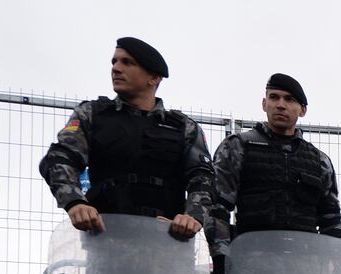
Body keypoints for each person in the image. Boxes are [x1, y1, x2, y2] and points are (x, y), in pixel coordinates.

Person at [38, 37, 213, 239]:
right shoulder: (92, 114)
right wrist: (75, 202)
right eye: (114, 62)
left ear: (154, 77)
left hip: (167, 246)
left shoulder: (184, 128)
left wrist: (193, 216)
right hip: (107, 245)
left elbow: (203, 177)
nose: (116, 68)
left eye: (127, 62)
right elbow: (60, 157)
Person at [206, 73, 341, 274]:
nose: (280, 104)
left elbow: (331, 220)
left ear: (302, 110)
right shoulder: (238, 147)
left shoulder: (319, 161)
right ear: (264, 104)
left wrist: (340, 267)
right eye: (274, 97)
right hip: (251, 269)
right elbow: (217, 208)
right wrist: (220, 257)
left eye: (289, 99)